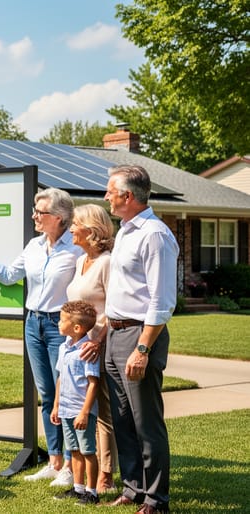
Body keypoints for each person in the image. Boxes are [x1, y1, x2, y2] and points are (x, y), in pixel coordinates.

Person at [0, 187, 82, 487]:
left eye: (40, 212)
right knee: (47, 395)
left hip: (60, 328)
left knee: (65, 396)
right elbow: (8, 275)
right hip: (33, 324)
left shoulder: (76, 249)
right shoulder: (34, 246)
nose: (34, 216)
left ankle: (70, 465)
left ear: (60, 217)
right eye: (35, 211)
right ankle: (54, 461)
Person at [102, 165, 177, 514]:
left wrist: (143, 349)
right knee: (123, 419)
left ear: (128, 196)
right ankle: (133, 488)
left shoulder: (154, 235)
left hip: (139, 336)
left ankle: (156, 499)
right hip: (115, 334)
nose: (106, 197)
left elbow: (162, 302)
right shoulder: (125, 232)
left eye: (110, 191)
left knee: (146, 421)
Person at [66, 203, 118, 494]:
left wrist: (96, 339)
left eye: (75, 224)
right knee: (82, 404)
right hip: (79, 348)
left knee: (104, 411)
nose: (71, 228)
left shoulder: (107, 262)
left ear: (91, 229)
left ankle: (106, 475)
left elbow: (113, 306)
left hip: (101, 345)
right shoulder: (79, 261)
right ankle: (82, 471)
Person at [51, 300, 101, 506]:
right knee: (74, 451)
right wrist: (56, 405)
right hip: (66, 409)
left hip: (82, 412)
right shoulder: (64, 348)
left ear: (77, 327)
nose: (58, 324)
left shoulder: (87, 351)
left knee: (88, 451)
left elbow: (93, 384)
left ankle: (92, 492)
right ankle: (78, 488)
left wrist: (84, 412)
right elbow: (61, 378)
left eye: (62, 320)